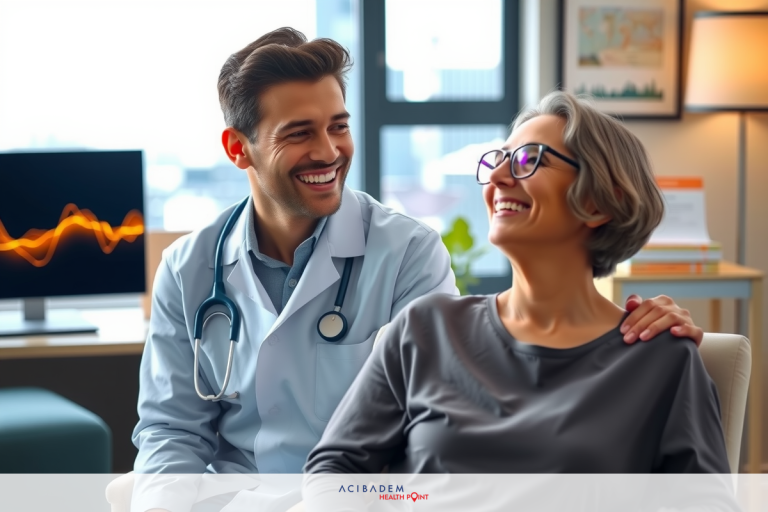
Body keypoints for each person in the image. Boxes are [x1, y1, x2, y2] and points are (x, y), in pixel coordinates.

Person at [131, 28, 706, 511]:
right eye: (300, 133)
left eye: (338, 125)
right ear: (239, 149)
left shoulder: (410, 255)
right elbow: (170, 432)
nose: (330, 152)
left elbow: (428, 449)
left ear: (599, 201)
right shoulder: (189, 269)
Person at [304, 91, 730, 477]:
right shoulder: (424, 329)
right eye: (498, 160)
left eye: (529, 160)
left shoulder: (661, 359)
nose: (498, 178)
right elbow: (334, 468)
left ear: (600, 202)